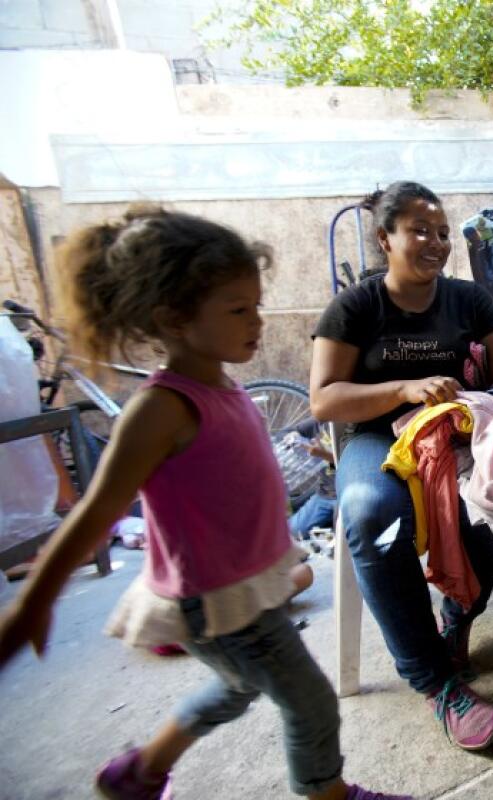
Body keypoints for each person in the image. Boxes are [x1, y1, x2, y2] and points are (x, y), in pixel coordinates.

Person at [0, 208, 406, 800]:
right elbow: (96, 511)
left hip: (242, 586)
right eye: (239, 309)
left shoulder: (220, 380)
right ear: (174, 318)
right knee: (309, 700)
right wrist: (35, 603)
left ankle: (138, 771)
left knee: (236, 688)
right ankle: (328, 793)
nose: (258, 322)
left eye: (257, 305)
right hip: (214, 602)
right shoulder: (161, 408)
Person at [309, 181, 493, 751]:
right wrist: (403, 388)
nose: (435, 242)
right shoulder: (356, 307)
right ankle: (436, 680)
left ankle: (458, 608)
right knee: (371, 514)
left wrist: (477, 408)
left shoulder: (469, 300)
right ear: (385, 238)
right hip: (377, 439)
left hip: (455, 433)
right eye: (419, 230)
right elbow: (324, 399)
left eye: (443, 232)